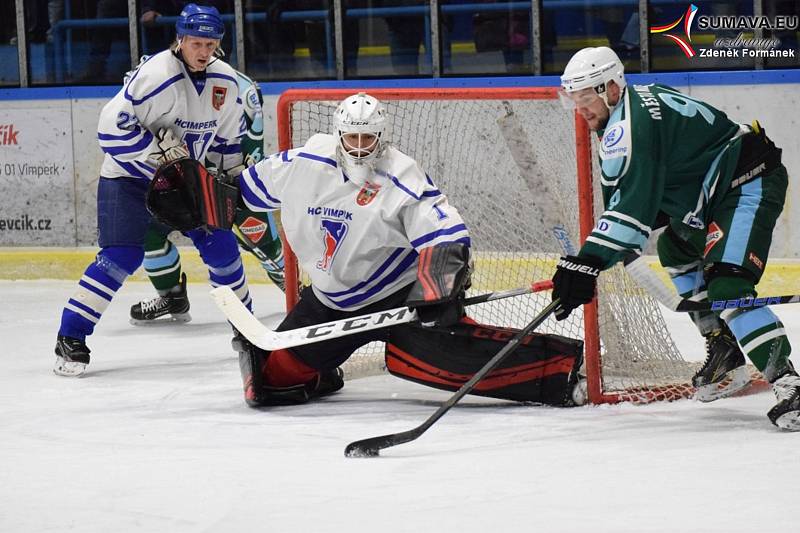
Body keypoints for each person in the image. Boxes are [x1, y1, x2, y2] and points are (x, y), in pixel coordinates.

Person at [148, 92, 584, 407]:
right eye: (352, 138)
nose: (360, 147)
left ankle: (566, 370)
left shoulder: (401, 176)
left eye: (368, 139)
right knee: (269, 382)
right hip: (329, 301)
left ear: (382, 136)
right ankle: (325, 371)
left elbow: (446, 234)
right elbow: (243, 194)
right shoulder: (304, 161)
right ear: (338, 134)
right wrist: (206, 202)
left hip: (398, 299)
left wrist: (436, 289)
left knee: (443, 366)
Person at [551, 46, 797, 429]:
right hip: (711, 195)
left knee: (728, 283)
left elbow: (630, 213)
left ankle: (789, 383)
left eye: (586, 99)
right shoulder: (627, 110)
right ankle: (726, 348)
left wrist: (588, 261)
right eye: (574, 101)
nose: (581, 110)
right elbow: (630, 208)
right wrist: (596, 255)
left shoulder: (629, 127)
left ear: (610, 88)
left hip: (747, 182)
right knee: (675, 248)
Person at [53, 4, 252, 377]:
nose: (204, 52)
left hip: (185, 181)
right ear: (180, 39)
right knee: (120, 257)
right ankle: (71, 336)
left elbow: (227, 143)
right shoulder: (156, 75)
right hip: (129, 179)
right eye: (196, 43)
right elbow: (109, 131)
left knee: (221, 246)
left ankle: (248, 330)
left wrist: (233, 181)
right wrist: (155, 153)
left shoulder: (225, 83)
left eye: (210, 44)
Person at [128, 68, 285, 324]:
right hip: (186, 184)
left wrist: (240, 182)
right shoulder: (168, 81)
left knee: (263, 242)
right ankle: (172, 297)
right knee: (149, 231)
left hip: (230, 178)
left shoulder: (240, 87)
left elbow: (252, 143)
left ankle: (296, 291)